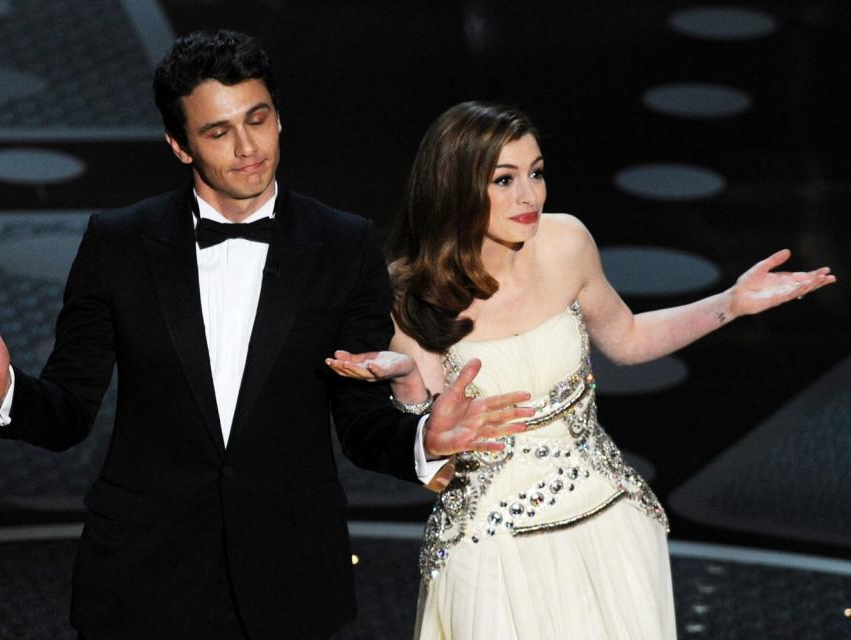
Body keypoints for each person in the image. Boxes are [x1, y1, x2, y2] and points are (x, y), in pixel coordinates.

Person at [0, 34, 534, 640]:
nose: (247, 148)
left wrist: (422, 436)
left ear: (279, 119)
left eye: (257, 120)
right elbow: (71, 411)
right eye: (217, 132)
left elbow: (361, 423)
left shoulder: (344, 245)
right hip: (143, 577)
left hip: (290, 577)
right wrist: (6, 389)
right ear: (179, 146)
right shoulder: (119, 242)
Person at [326, 101, 836, 639]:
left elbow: (628, 338)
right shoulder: (414, 298)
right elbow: (442, 473)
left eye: (536, 172)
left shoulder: (565, 240)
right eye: (504, 179)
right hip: (495, 556)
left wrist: (731, 303)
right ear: (453, 186)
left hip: (610, 528)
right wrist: (407, 383)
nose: (529, 196)